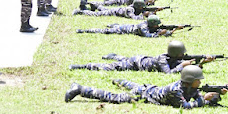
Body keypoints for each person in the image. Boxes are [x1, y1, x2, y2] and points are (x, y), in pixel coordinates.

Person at [65, 65, 228, 109]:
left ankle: (117, 79)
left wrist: (216, 95)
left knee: (129, 84)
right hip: (144, 96)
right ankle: (79, 88)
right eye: (198, 80)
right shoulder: (176, 90)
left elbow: (197, 95)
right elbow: (185, 106)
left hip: (148, 89)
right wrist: (204, 102)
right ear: (190, 80)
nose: (200, 83)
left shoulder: (187, 87)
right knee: (113, 97)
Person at [69, 40, 214, 72]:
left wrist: (201, 64)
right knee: (109, 67)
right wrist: (183, 65)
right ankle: (82, 66)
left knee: (121, 58)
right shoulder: (163, 60)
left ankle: (113, 55)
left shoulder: (173, 59)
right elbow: (169, 74)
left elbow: (181, 67)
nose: (184, 56)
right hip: (136, 63)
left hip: (142, 58)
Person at [76, 15, 183, 38]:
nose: (157, 26)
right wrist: (160, 33)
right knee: (105, 31)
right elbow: (148, 36)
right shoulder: (143, 27)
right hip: (123, 30)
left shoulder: (150, 26)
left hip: (126, 26)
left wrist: (173, 30)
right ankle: (84, 30)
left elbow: (162, 31)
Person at [73, 0, 155, 20]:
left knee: (103, 9)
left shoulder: (134, 7)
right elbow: (133, 17)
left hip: (115, 10)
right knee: (97, 14)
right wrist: (143, 16)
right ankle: (80, 11)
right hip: (113, 12)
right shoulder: (130, 10)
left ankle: (95, 5)